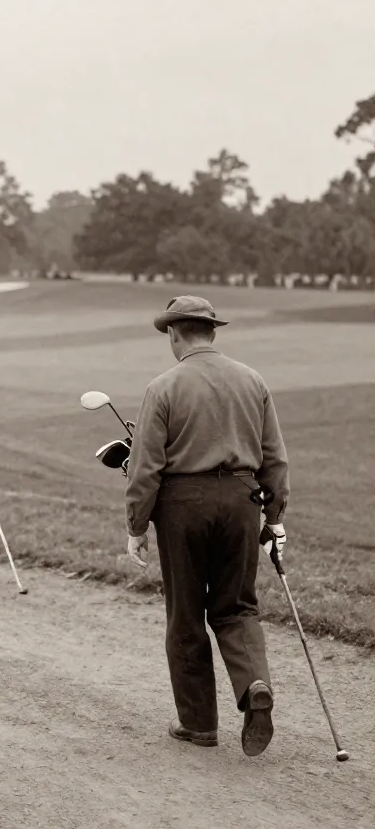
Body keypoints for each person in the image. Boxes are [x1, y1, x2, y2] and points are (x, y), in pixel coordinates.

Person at [125, 295, 290, 757]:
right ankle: (253, 684)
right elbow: (275, 458)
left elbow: (145, 467)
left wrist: (137, 525)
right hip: (242, 501)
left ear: (175, 334)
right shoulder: (253, 380)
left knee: (186, 613)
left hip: (183, 504)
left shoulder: (163, 387)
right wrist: (275, 517)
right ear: (212, 331)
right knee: (236, 605)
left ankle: (198, 723)